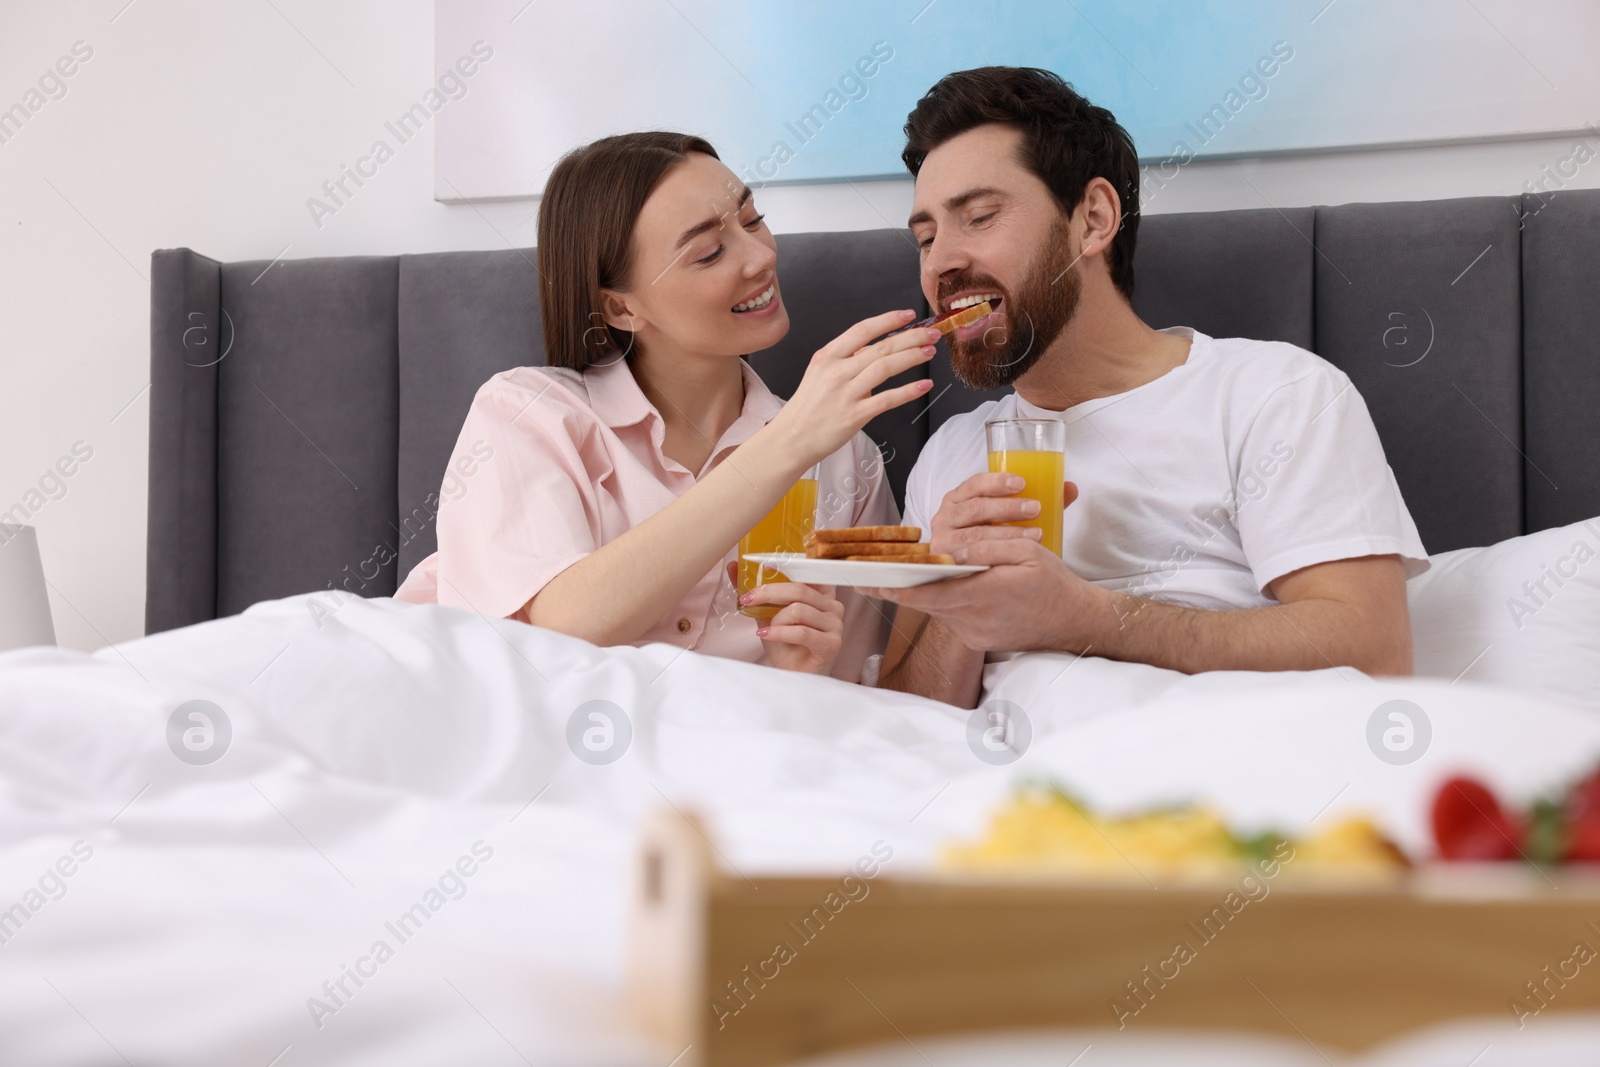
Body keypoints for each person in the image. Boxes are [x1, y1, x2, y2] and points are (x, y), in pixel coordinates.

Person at [867, 68, 1429, 708]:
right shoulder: (951, 455)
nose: (939, 262)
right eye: (926, 238)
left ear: (1094, 219)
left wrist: (1083, 617)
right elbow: (905, 716)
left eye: (980, 216)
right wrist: (967, 598)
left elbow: (1375, 652)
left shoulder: (1274, 395)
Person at [395, 132, 939, 682]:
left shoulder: (845, 460)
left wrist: (804, 671)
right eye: (708, 252)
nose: (761, 255)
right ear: (620, 307)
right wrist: (787, 442)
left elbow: (868, 701)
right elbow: (555, 630)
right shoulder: (529, 414)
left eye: (752, 220)